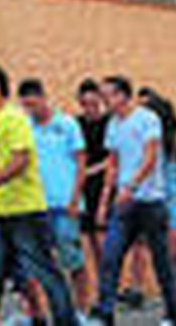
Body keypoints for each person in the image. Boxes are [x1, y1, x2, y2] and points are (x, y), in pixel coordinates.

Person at [0, 63, 76, 326]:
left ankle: (66, 320)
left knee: (46, 274)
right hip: (1, 212)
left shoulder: (14, 119)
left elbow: (21, 160)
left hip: (25, 211)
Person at [88, 76, 176, 326]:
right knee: (110, 255)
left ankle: (173, 314)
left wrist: (132, 185)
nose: (103, 100)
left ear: (122, 96)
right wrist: (104, 200)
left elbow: (151, 158)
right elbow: (113, 163)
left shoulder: (147, 119)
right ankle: (105, 312)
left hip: (151, 202)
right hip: (124, 204)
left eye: (107, 95)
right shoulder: (113, 125)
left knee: (162, 262)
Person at [20, 78, 90, 314]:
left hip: (64, 205)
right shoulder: (25, 127)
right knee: (38, 265)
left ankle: (80, 310)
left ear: (43, 98)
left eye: (33, 104)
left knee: (73, 261)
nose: (30, 110)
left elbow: (81, 163)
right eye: (25, 106)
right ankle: (41, 313)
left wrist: (75, 199)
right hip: (36, 206)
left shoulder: (67, 124)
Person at [140, 88, 176, 324]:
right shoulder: (145, 135)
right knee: (165, 257)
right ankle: (172, 307)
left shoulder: (175, 134)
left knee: (174, 252)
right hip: (156, 199)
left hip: (175, 198)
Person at [76, 79, 113, 306]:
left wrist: (92, 169)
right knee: (88, 240)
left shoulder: (109, 124)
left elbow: (112, 158)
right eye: (85, 104)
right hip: (83, 187)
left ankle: (107, 289)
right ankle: (96, 293)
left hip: (102, 185)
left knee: (102, 243)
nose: (89, 108)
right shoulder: (76, 124)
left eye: (93, 103)